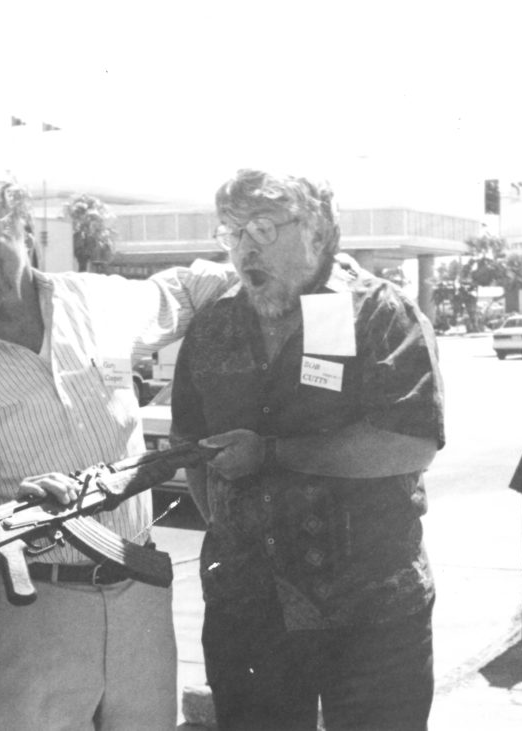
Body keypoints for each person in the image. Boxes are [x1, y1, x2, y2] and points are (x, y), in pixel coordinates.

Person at [0, 165, 236, 730]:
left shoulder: (97, 302)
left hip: (140, 595)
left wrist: (310, 275)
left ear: (23, 227)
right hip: (29, 611)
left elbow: (186, 289)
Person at [171, 168, 445, 730]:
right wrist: (235, 528)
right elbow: (189, 444)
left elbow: (409, 443)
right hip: (249, 609)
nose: (246, 247)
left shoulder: (379, 314)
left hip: (371, 612)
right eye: (233, 233)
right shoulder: (215, 325)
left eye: (265, 229)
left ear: (318, 233)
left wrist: (271, 455)